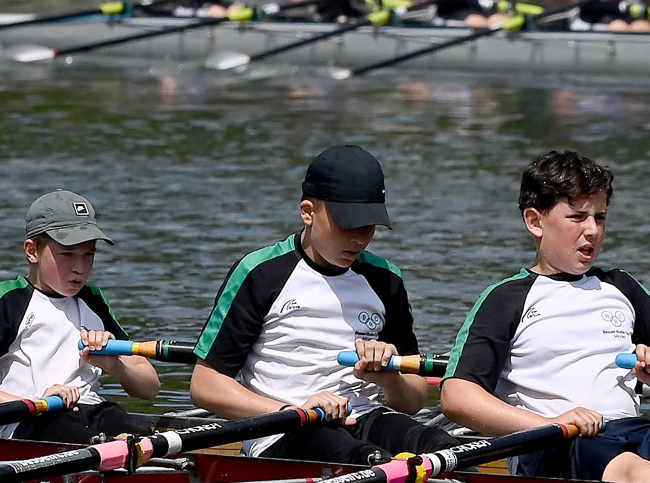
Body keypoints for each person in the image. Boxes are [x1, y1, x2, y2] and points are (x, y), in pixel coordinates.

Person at [441, 151, 650, 483]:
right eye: (577, 217)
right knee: (637, 472)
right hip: (552, 441)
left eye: (600, 217)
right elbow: (456, 397)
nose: (592, 230)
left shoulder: (621, 286)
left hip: (630, 428)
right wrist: (552, 424)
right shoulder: (505, 299)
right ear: (535, 221)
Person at [190, 145, 456, 463]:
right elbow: (205, 384)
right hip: (285, 428)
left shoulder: (387, 279)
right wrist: (294, 411)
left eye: (368, 225)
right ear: (307, 212)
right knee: (364, 457)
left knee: (444, 447)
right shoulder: (260, 273)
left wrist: (388, 376)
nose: (359, 238)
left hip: (366, 417)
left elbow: (412, 400)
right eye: (347, 224)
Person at [0, 191, 163, 443]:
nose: (80, 267)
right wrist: (34, 404)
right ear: (32, 251)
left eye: (89, 254)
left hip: (95, 411)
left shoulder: (93, 299)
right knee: (89, 435)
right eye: (67, 254)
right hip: (31, 422)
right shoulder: (6, 299)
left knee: (136, 431)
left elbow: (150, 388)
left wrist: (113, 364)